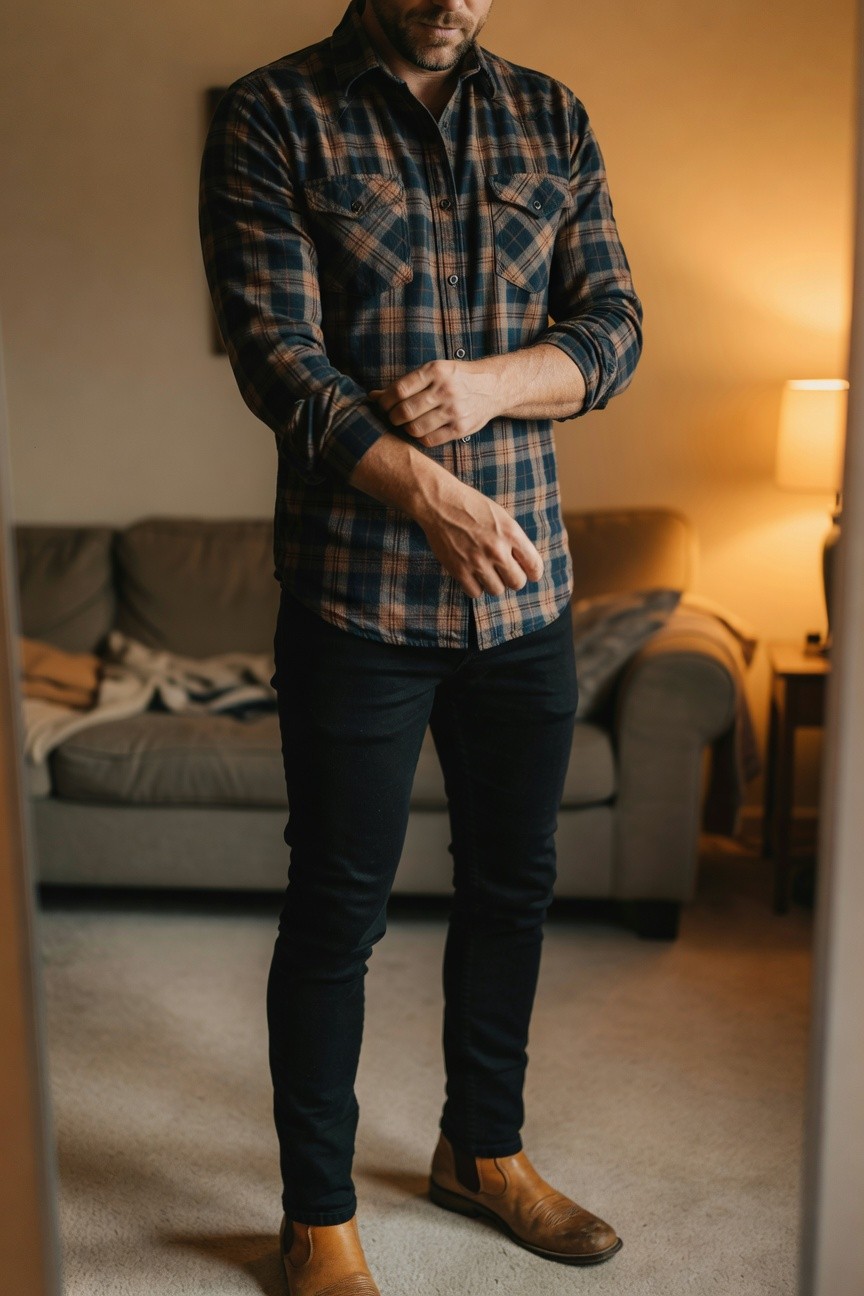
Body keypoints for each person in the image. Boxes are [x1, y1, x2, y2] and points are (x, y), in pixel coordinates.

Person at [199, 1, 642, 1291]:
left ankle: (481, 1152)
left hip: (528, 595)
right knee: (338, 908)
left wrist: (495, 383)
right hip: (355, 594)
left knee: (515, 886)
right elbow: (276, 355)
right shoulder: (275, 111)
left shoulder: (550, 113)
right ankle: (315, 1217)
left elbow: (612, 323)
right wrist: (430, 493)